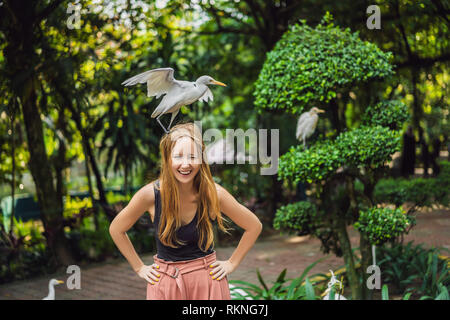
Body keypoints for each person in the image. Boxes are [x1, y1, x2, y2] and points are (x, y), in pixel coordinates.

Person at [109, 122, 263, 300]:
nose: (185, 164)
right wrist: (139, 267)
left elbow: (254, 225)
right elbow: (116, 229)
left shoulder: (213, 193)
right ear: (167, 159)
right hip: (165, 283)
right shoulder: (150, 195)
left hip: (207, 282)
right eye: (178, 156)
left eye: (192, 156)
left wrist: (231, 263)